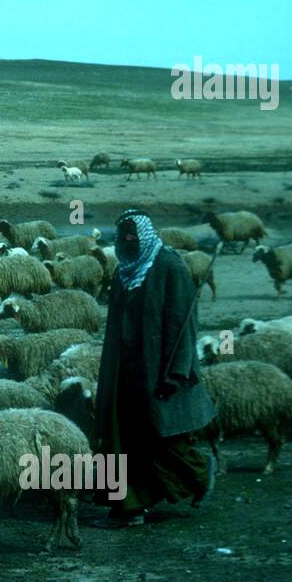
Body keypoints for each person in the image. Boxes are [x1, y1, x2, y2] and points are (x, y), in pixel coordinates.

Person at [92, 209, 215, 528]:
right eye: (121, 237)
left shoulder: (170, 267)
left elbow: (183, 326)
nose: (125, 242)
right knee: (122, 439)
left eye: (131, 237)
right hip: (123, 371)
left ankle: (201, 473)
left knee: (161, 439)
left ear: (144, 236)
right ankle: (129, 507)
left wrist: (176, 372)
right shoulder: (123, 272)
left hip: (158, 371)